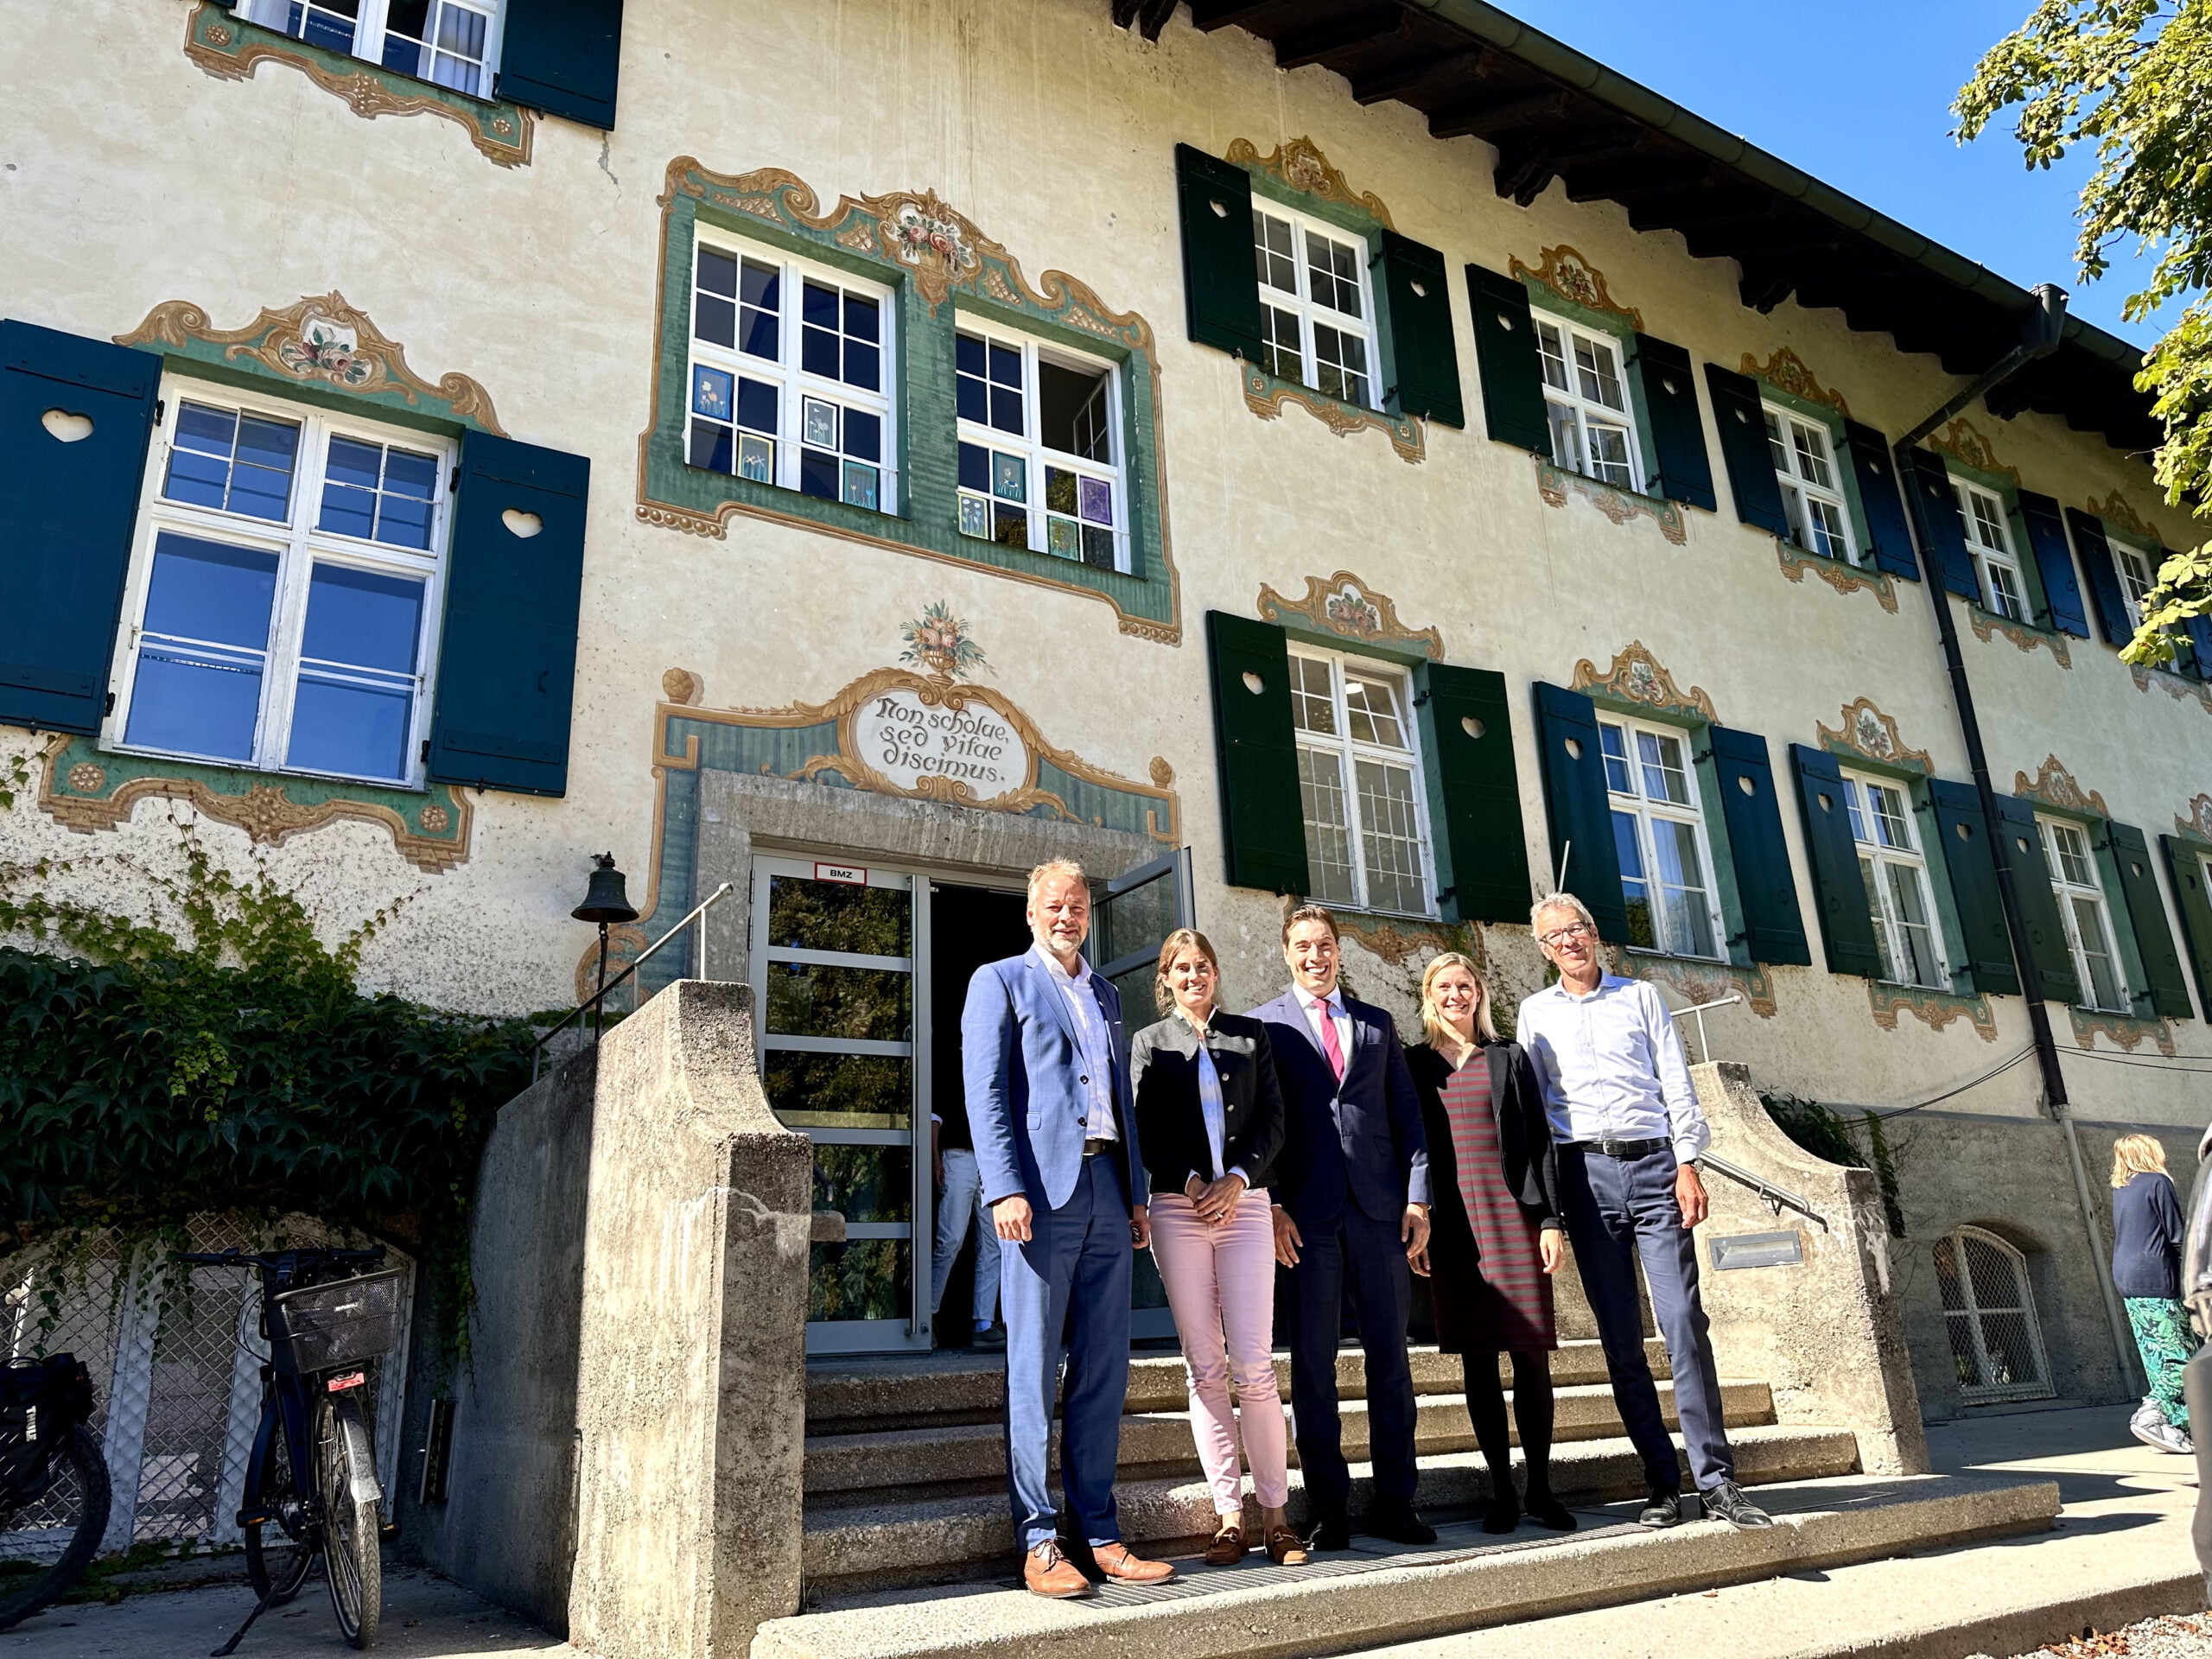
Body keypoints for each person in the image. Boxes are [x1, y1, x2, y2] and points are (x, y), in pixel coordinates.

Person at [1515, 893, 1772, 1530]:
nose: (1568, 943)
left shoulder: (1641, 997)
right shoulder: (1535, 1014)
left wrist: (1689, 1163)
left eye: (1577, 930)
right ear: (1544, 950)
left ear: (1595, 934)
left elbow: (1675, 1080)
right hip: (1585, 1176)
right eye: (1554, 937)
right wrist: (1548, 1207)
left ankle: (1717, 1482)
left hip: (1656, 1166)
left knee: (1683, 1322)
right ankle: (1661, 1482)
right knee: (1620, 1341)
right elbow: (1533, 1109)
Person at [963, 858, 1175, 1599]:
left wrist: (1138, 1194)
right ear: (1030, 912)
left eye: (1077, 906)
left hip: (1108, 1188)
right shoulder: (1000, 981)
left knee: (1104, 1367)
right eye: (1053, 905)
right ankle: (1038, 1540)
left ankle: (1101, 1532)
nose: (1066, 916)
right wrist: (1003, 1188)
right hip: (1039, 1198)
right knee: (1032, 1368)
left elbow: (1117, 1093)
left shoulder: (1108, 992)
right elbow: (985, 1091)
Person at [1252, 903, 1434, 1550]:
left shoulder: (1378, 1025)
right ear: (1287, 953)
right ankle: (1328, 1506)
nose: (1315, 955)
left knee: (1392, 1363)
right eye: (1303, 945)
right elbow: (1259, 1125)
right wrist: (1271, 1203)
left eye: (1325, 944)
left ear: (1338, 951)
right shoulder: (1262, 1028)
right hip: (1306, 1218)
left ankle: (1397, 1502)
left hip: (1382, 1213)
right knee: (1314, 1367)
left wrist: (1418, 1202)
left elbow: (1408, 1119)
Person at [1130, 928, 1306, 1567]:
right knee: (1204, 1368)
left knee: (1255, 1366)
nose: (1194, 976)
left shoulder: (1249, 1035)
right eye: (1182, 968)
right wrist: (1192, 1182)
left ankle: (1278, 1518)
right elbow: (1144, 1127)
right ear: (1167, 978)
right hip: (1179, 1211)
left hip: (1247, 1207)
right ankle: (1230, 1518)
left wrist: (1236, 1180)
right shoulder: (1149, 1044)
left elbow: (1274, 1122)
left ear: (1215, 972)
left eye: (1203, 966)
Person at [1403, 951, 1575, 1535]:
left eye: (1465, 985)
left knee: (1530, 1357)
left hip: (1513, 1216)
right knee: (1478, 1363)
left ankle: (1542, 1490)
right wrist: (1416, 1218)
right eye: (1444, 986)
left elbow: (1540, 1142)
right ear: (1430, 996)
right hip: (1452, 1229)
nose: (1456, 994)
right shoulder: (1412, 1065)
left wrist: (1552, 1221)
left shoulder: (1509, 1058)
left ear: (1479, 992)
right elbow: (1411, 1149)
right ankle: (1500, 1491)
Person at [2112, 1133, 2200, 1454]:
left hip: (2127, 1276)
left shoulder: (2121, 1189)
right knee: (2180, 1353)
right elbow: (2175, 1234)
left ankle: (2178, 1424)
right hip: (2155, 1275)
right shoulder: (2157, 1183)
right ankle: (2154, 1411)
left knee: (2155, 1352)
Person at [928, 1100, 1002, 1350]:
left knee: (994, 1245)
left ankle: (984, 1324)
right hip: (958, 1157)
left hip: (990, 1161)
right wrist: (936, 1160)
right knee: (950, 1240)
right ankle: (926, 1316)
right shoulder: (952, 1069)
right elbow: (933, 1119)